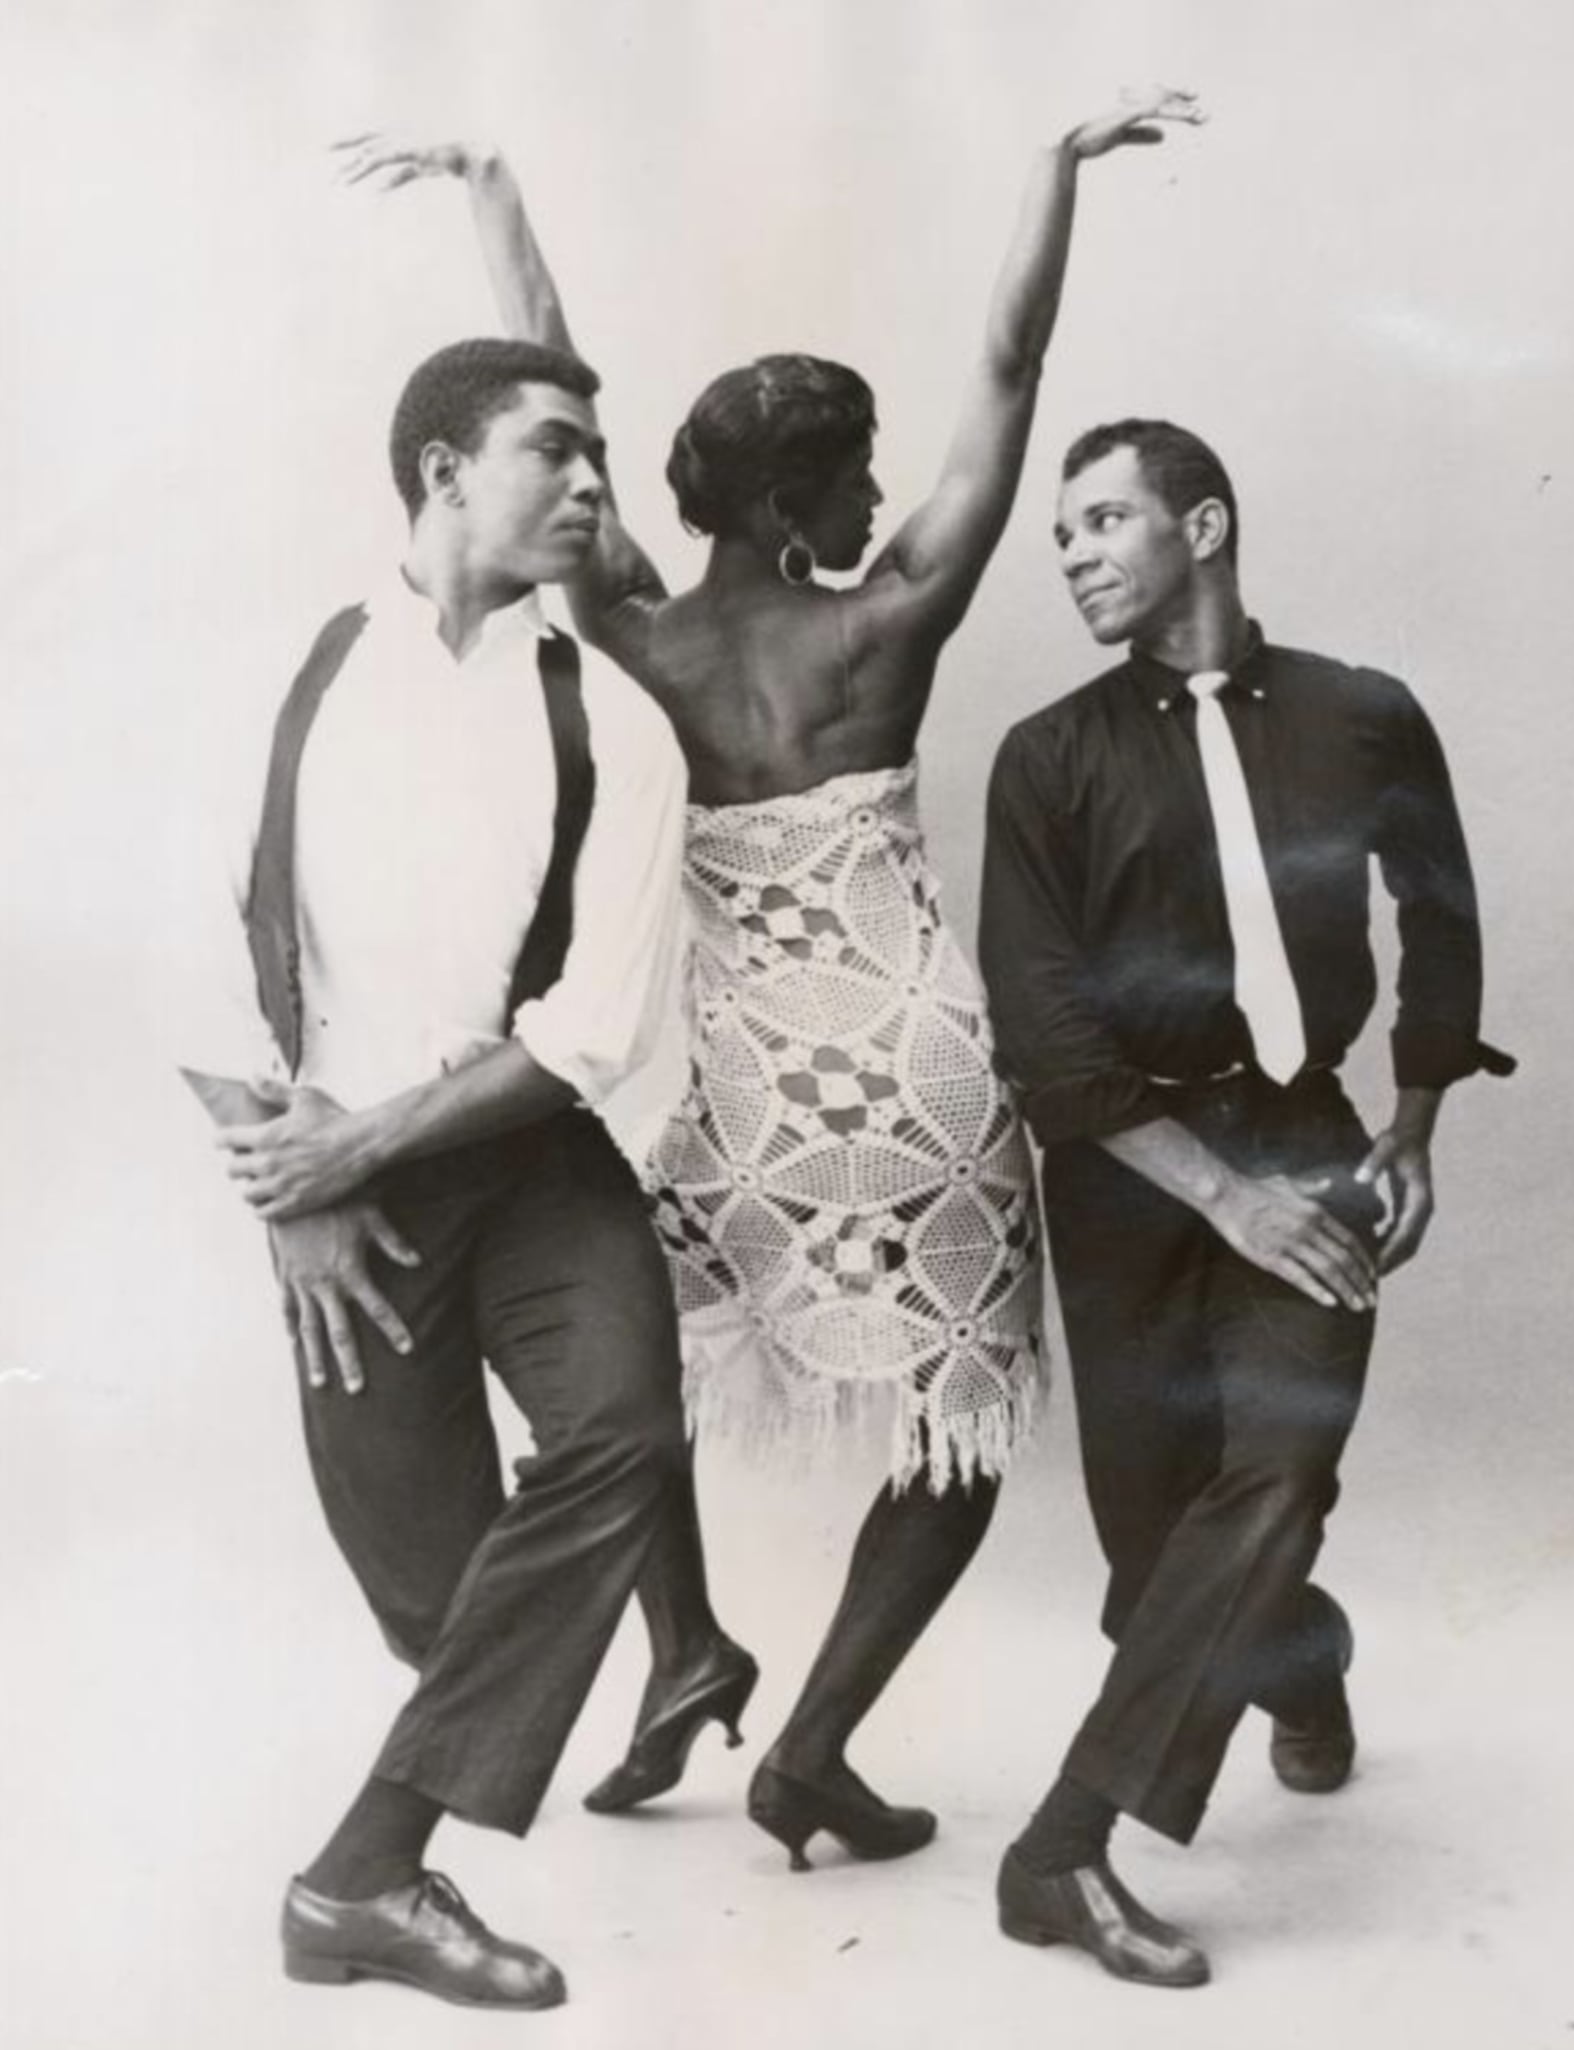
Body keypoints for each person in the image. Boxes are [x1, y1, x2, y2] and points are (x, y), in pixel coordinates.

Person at [280, 91, 1203, 1872]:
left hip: (716, 1085)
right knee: (964, 1408)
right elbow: (1011, 368)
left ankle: (690, 1641)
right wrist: (1051, 170)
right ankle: (816, 1744)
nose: (876, 496)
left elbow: (546, 379)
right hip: (913, 1062)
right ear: (801, 503)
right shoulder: (887, 619)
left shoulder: (627, 618)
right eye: (851, 477)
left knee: (630, 1389)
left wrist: (496, 186)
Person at [182, 334, 694, 2009]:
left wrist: (361, 1144)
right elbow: (188, 935)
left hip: (526, 1160)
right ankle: (406, 1844)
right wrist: (302, 1183)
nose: (593, 486)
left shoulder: (617, 719)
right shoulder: (297, 663)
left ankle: (360, 1879)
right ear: (443, 469)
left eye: (599, 457)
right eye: (557, 449)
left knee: (620, 1428)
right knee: (444, 1590)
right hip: (339, 1191)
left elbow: (591, 1028)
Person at [978, 418, 1513, 1986]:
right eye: (1060, 531)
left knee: (1274, 1469)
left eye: (1101, 519)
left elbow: (1442, 905)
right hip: (1132, 1170)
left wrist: (1411, 1121)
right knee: (1155, 1562)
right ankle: (1307, 1655)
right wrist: (1220, 1198)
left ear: (1201, 526)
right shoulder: (1049, 755)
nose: (1070, 551)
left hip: (1305, 1139)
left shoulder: (1362, 714)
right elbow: (1046, 1033)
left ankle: (1059, 1848)